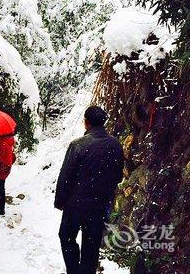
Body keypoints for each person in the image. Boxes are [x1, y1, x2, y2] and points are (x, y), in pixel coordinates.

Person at [54, 106, 124, 274]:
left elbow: (66, 176)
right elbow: (118, 177)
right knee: (91, 244)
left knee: (67, 237)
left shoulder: (78, 145)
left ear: (86, 123)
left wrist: (60, 201)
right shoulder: (115, 145)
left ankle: (73, 270)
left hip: (75, 204)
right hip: (98, 205)